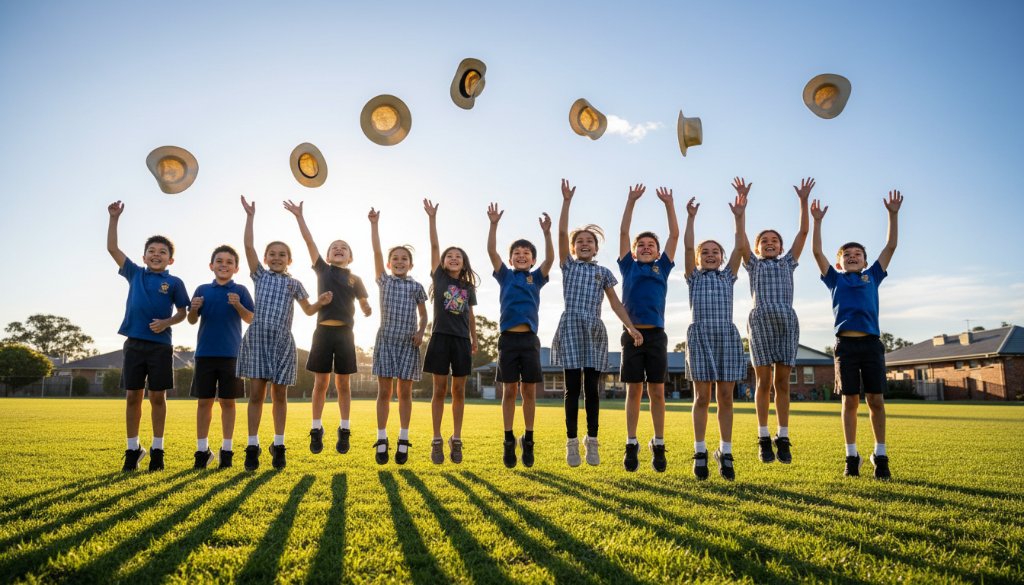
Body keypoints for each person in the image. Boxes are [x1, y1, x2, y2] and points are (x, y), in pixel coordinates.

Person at [811, 190, 903, 480]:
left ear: (864, 261)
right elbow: (816, 252)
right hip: (846, 346)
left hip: (872, 344)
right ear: (840, 263)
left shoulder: (872, 275)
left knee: (875, 399)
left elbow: (890, 246)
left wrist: (892, 214)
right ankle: (852, 456)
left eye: (857, 255)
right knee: (849, 401)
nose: (852, 257)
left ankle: (880, 454)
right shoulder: (835, 279)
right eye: (847, 255)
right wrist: (817, 222)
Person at [552, 179, 643, 467]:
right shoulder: (568, 265)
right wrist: (566, 202)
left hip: (593, 329)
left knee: (591, 389)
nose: (584, 244)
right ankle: (571, 442)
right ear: (574, 247)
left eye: (589, 241)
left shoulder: (603, 272)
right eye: (580, 242)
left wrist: (630, 326)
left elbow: (615, 303)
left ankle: (592, 440)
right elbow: (562, 231)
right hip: (570, 326)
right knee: (571, 389)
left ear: (596, 247)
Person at [236, 196, 332, 471]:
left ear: (289, 260)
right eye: (272, 254)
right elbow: (248, 246)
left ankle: (278, 445)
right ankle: (252, 445)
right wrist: (250, 216)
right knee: (256, 395)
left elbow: (309, 310)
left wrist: (321, 302)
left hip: (282, 342)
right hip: (258, 339)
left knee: (280, 396)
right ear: (265, 259)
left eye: (282, 255)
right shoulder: (260, 276)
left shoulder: (295, 284)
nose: (276, 258)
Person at [107, 201, 190, 472]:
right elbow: (112, 249)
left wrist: (166, 321)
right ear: (143, 257)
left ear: (170, 259)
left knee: (157, 398)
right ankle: (133, 450)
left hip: (161, 347)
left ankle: (157, 449)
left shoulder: (175, 283)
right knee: (133, 396)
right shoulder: (134, 274)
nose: (156, 254)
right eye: (151, 251)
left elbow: (183, 313)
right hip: (134, 345)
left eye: (162, 252)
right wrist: (114, 218)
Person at [283, 200, 371, 456]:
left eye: (344, 248)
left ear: (350, 256)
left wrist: (366, 308)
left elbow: (364, 302)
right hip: (323, 332)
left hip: (345, 334)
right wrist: (300, 216)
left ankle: (344, 430)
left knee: (343, 384)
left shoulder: (356, 278)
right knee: (320, 383)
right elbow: (309, 242)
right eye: (334, 247)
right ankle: (316, 428)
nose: (339, 249)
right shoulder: (322, 269)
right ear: (328, 254)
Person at [735, 177, 812, 465]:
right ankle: (763, 436)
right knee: (763, 382)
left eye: (774, 241)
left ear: (780, 247)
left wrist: (803, 201)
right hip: (760, 322)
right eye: (764, 241)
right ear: (757, 248)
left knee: (782, 382)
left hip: (786, 322)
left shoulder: (788, 262)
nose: (769, 243)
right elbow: (740, 241)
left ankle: (783, 435)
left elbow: (804, 231)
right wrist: (741, 211)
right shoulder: (752, 264)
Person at [683, 191, 748, 481]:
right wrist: (690, 218)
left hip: (726, 335)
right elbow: (686, 248)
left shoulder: (728, 276)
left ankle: (725, 450)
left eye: (715, 252)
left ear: (721, 258)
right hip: (699, 336)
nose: (710, 255)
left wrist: (739, 216)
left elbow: (740, 246)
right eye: (705, 252)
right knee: (702, 397)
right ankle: (700, 451)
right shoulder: (693, 277)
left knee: (725, 397)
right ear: (698, 259)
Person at [486, 202, 555, 468]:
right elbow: (491, 251)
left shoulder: (535, 278)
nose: (521, 255)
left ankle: (528, 438)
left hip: (529, 340)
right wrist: (494, 224)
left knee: (529, 391)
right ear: (511, 257)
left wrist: (547, 233)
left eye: (526, 253)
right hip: (507, 340)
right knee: (509, 391)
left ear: (532, 259)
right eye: (517, 252)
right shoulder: (505, 276)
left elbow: (550, 260)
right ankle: (507, 439)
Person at [617, 184, 679, 473]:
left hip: (655, 335)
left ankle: (659, 442)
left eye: (650, 246)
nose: (645, 248)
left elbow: (674, 235)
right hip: (632, 334)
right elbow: (623, 234)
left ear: (656, 252)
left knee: (657, 392)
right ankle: (632, 443)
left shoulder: (662, 267)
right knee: (633, 391)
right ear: (633, 251)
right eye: (640, 245)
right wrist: (630, 201)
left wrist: (668, 204)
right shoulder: (628, 267)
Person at [368, 207, 428, 465]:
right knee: (384, 392)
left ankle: (403, 439)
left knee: (405, 393)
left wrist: (420, 332)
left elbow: (424, 315)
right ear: (390, 264)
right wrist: (374, 225)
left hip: (408, 342)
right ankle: (382, 438)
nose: (400, 261)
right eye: (396, 258)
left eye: (404, 258)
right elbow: (377, 252)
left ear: (411, 264)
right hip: (386, 340)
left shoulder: (417, 287)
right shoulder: (384, 280)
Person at [186, 245, 255, 469]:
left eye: (228, 262)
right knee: (204, 402)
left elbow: (251, 319)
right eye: (219, 261)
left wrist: (237, 305)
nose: (223, 265)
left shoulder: (241, 290)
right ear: (211, 265)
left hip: (232, 356)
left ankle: (227, 450)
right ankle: (201, 451)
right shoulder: (202, 289)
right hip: (205, 354)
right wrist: (194, 309)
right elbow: (192, 320)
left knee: (228, 403)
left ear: (236, 268)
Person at [422, 198, 479, 465]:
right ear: (444, 262)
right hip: (440, 339)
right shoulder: (440, 278)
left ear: (463, 263)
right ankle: (436, 439)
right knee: (439, 389)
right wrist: (432, 218)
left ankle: (456, 438)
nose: (453, 258)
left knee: (458, 391)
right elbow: (434, 245)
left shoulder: (468, 287)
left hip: (461, 341)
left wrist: (474, 340)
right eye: (449, 256)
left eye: (458, 256)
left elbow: (470, 313)